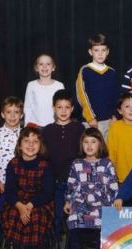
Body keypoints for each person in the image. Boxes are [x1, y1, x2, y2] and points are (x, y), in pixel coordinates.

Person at [63, 128, 118, 249]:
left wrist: (113, 203)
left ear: (100, 144)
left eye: (93, 142)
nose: (89, 145)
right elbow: (71, 185)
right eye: (86, 142)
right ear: (81, 145)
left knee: (103, 220)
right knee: (73, 220)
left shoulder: (107, 164)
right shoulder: (77, 164)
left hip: (101, 203)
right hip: (80, 202)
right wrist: (68, 201)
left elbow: (113, 187)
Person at [1, 127, 55, 249]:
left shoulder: (45, 165)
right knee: (12, 215)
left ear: (40, 146)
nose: (30, 145)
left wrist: (30, 205)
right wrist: (20, 206)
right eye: (26, 141)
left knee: (35, 217)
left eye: (35, 142)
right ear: (19, 145)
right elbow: (10, 191)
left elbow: (48, 192)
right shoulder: (13, 164)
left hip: (40, 201)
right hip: (17, 201)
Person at [43, 90, 85, 240]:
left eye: (67, 107)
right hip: (54, 181)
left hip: (75, 182)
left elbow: (84, 154)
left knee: (74, 217)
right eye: (59, 107)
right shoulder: (47, 130)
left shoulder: (79, 128)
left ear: (72, 109)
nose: (63, 111)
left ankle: (74, 246)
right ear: (53, 108)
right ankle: (54, 244)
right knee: (57, 216)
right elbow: (44, 157)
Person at [0, 96, 24, 238]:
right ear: (3, 114)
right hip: (1, 185)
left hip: (21, 185)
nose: (13, 116)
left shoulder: (25, 134)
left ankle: (20, 241)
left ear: (21, 115)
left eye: (16, 112)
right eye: (9, 112)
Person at [76, 34, 120, 139]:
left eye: (103, 50)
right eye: (96, 50)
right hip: (91, 122)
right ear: (90, 52)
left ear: (107, 52)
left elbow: (116, 96)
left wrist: (115, 115)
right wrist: (90, 117)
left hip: (109, 122)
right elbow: (82, 95)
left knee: (107, 152)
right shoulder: (85, 70)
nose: (100, 54)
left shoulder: (112, 72)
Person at [24, 54, 65, 127]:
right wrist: (27, 125)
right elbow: (27, 107)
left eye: (48, 64)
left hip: (54, 126)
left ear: (53, 68)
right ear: (36, 68)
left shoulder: (59, 85)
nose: (44, 66)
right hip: (35, 126)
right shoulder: (31, 85)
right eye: (41, 64)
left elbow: (63, 106)